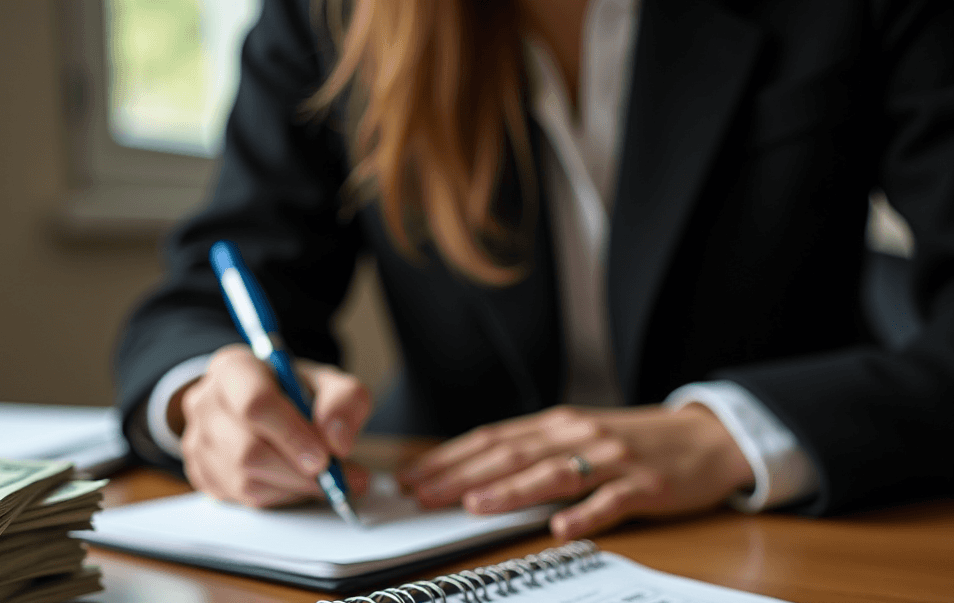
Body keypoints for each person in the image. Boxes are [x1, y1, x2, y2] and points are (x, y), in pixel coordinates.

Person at [117, 0, 954, 541]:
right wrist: (207, 399)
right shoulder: (328, 17)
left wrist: (730, 434)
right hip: (442, 521)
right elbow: (214, 289)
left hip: (781, 522)